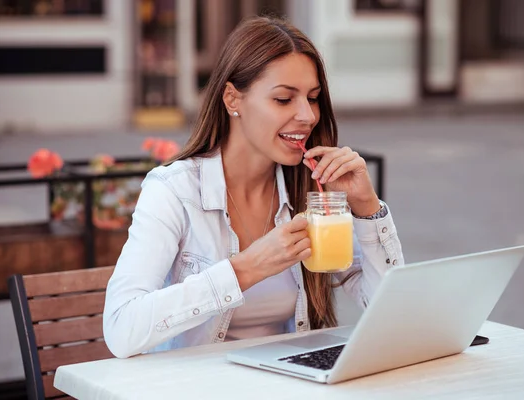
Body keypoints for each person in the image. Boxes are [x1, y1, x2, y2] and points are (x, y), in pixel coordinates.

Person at [103, 16, 404, 359]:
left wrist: (367, 207)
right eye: (283, 99)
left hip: (291, 383)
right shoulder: (174, 191)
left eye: (313, 97)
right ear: (233, 99)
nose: (307, 115)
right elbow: (121, 329)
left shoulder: (310, 192)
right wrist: (245, 269)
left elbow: (390, 312)